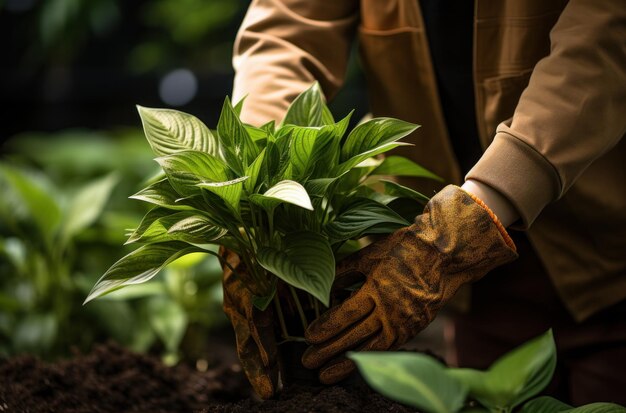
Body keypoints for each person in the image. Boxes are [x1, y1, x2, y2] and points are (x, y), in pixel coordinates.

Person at [222, 0, 626, 404]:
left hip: (607, 254)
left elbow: (603, 44)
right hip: (477, 295)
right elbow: (287, 31)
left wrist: (455, 232)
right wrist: (258, 206)